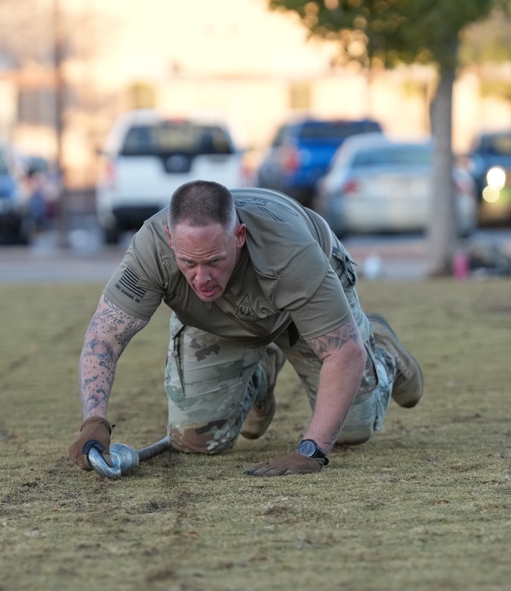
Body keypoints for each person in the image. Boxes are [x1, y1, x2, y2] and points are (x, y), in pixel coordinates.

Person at [68, 181, 423, 476]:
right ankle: (260, 374)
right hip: (219, 320)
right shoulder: (151, 249)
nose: (202, 277)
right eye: (188, 263)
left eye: (214, 261)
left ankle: (383, 355)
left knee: (351, 429)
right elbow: (104, 337)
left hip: (300, 313)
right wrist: (93, 420)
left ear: (239, 236)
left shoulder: (291, 252)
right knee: (196, 440)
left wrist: (311, 450)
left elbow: (343, 353)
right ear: (170, 239)